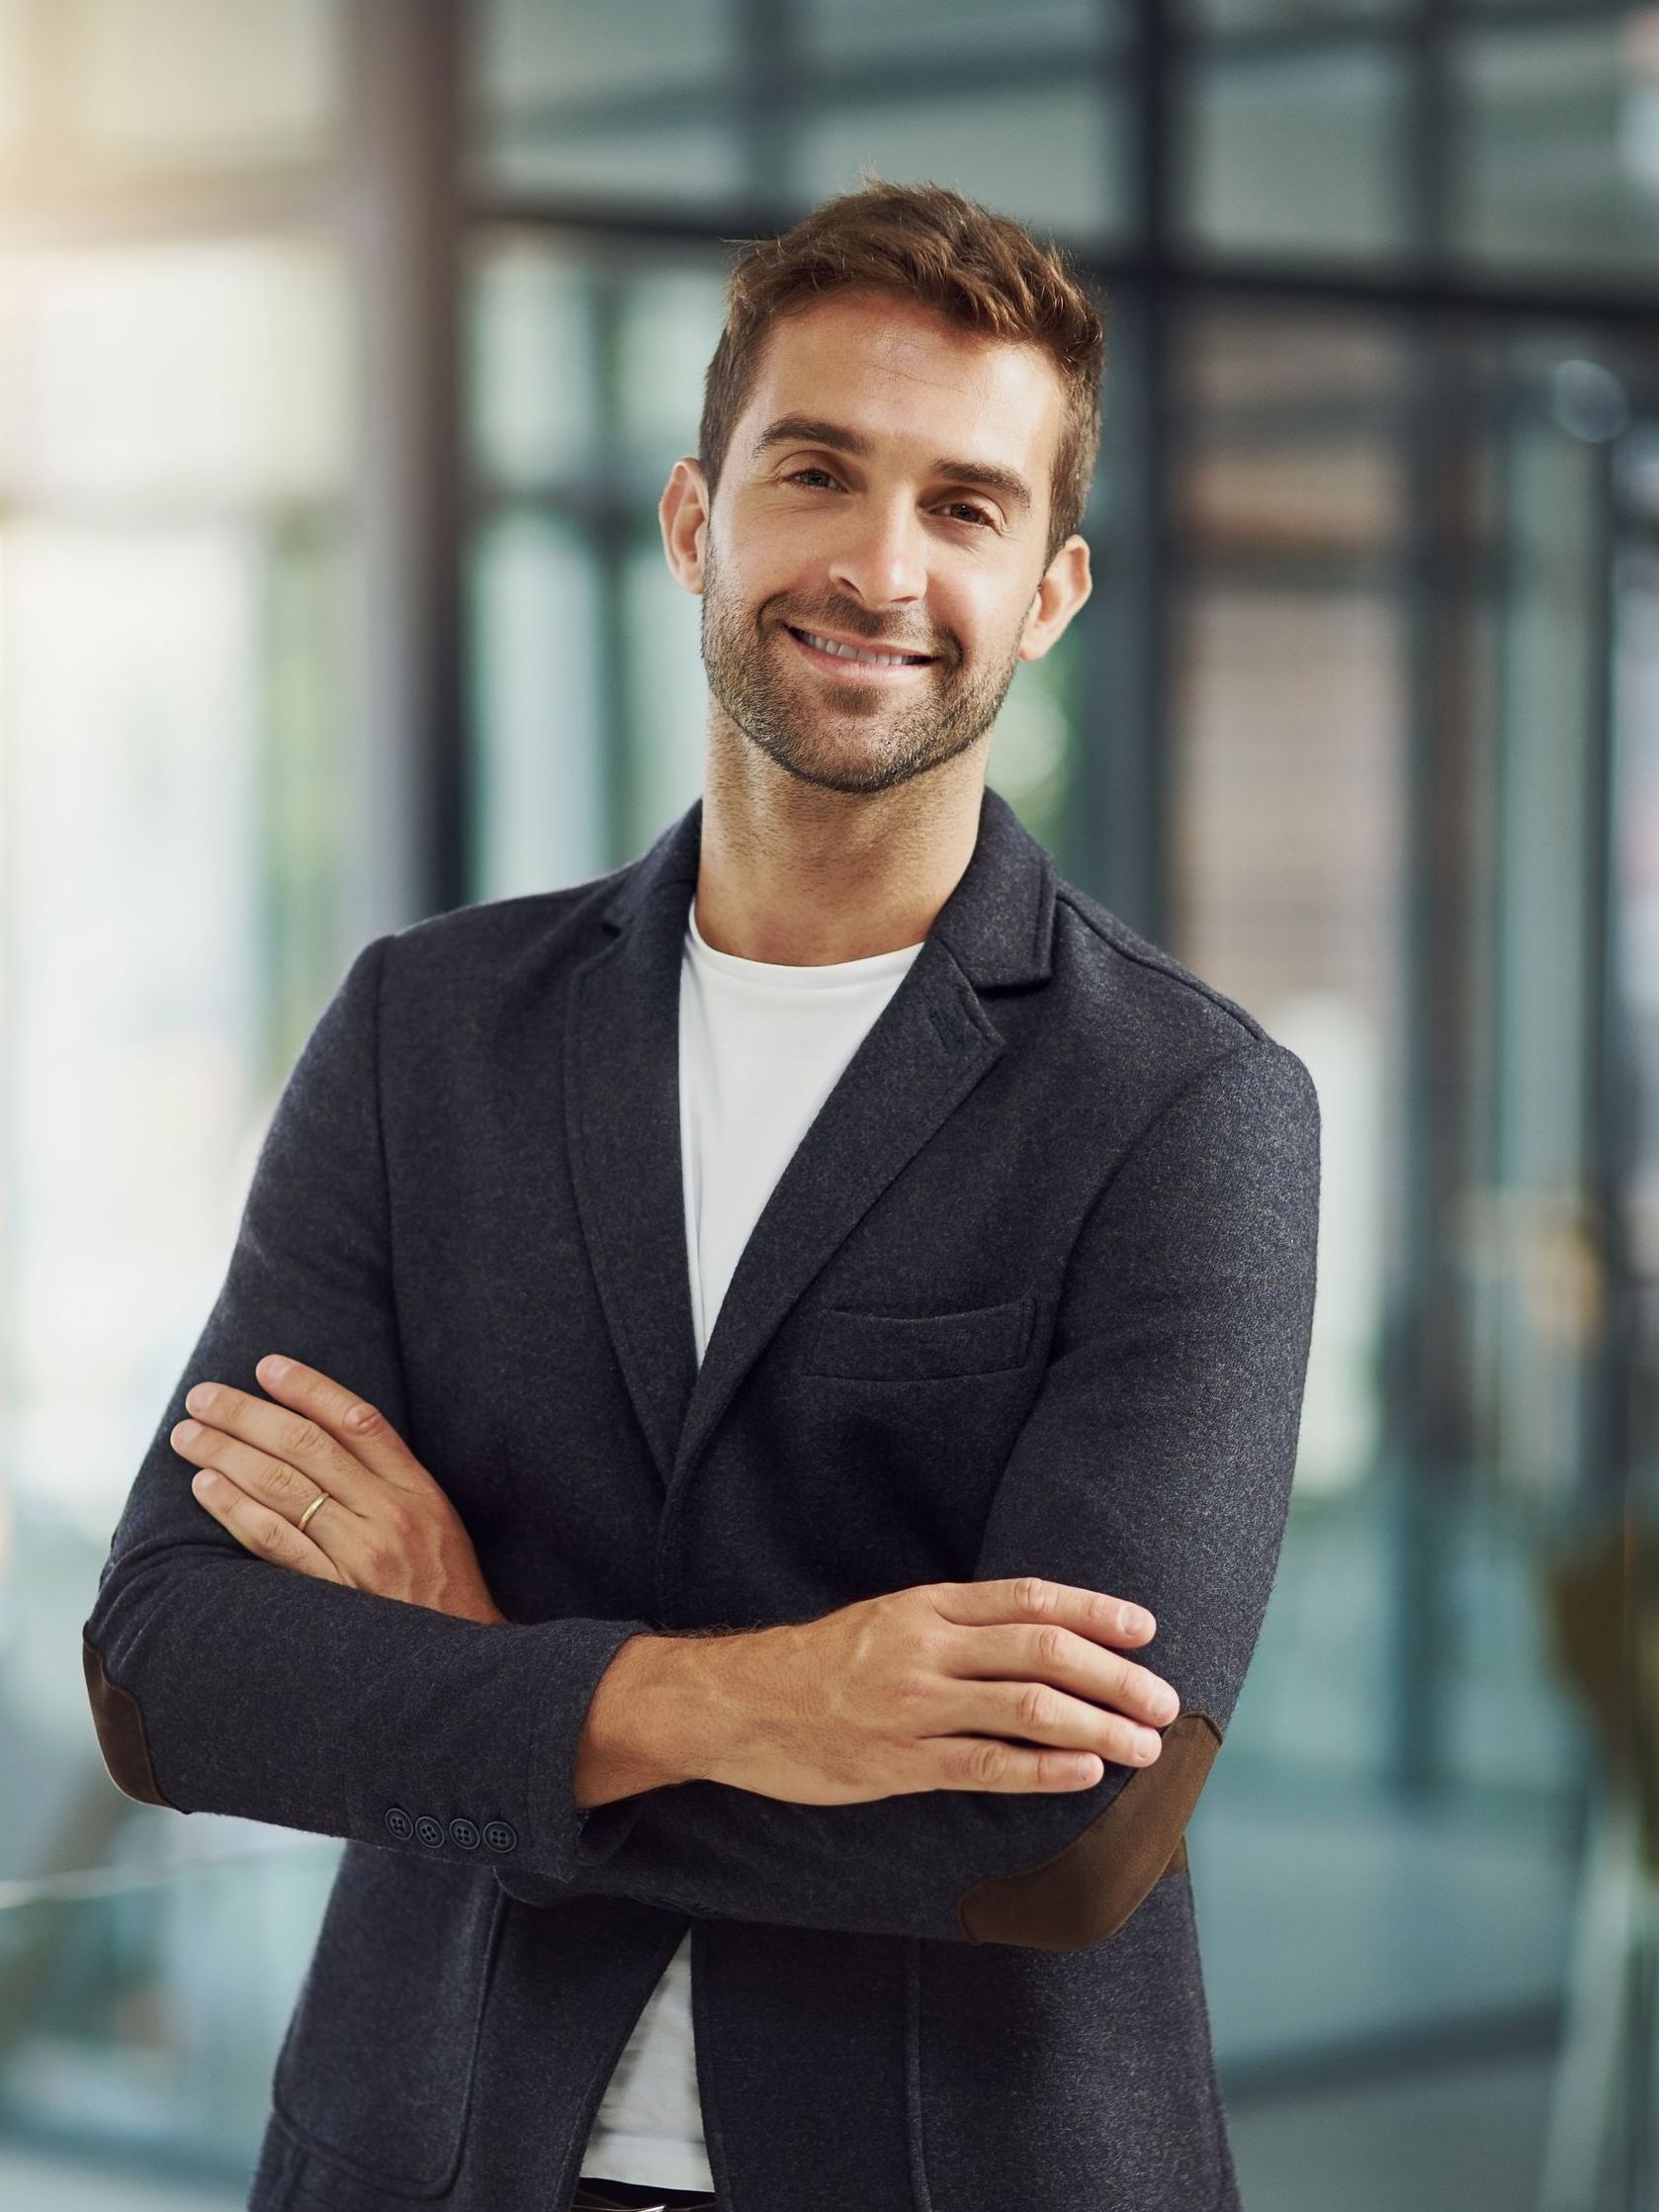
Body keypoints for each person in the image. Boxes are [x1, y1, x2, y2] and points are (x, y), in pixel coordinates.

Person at [81, 178, 1321, 2212]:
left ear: (1050, 591)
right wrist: (767, 1699)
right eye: (816, 470)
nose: (879, 564)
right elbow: (168, 1668)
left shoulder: (1185, 1110)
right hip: (422, 2145)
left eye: (965, 506)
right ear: (692, 521)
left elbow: (1060, 1834)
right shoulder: (423, 1032)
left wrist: (478, 1690)